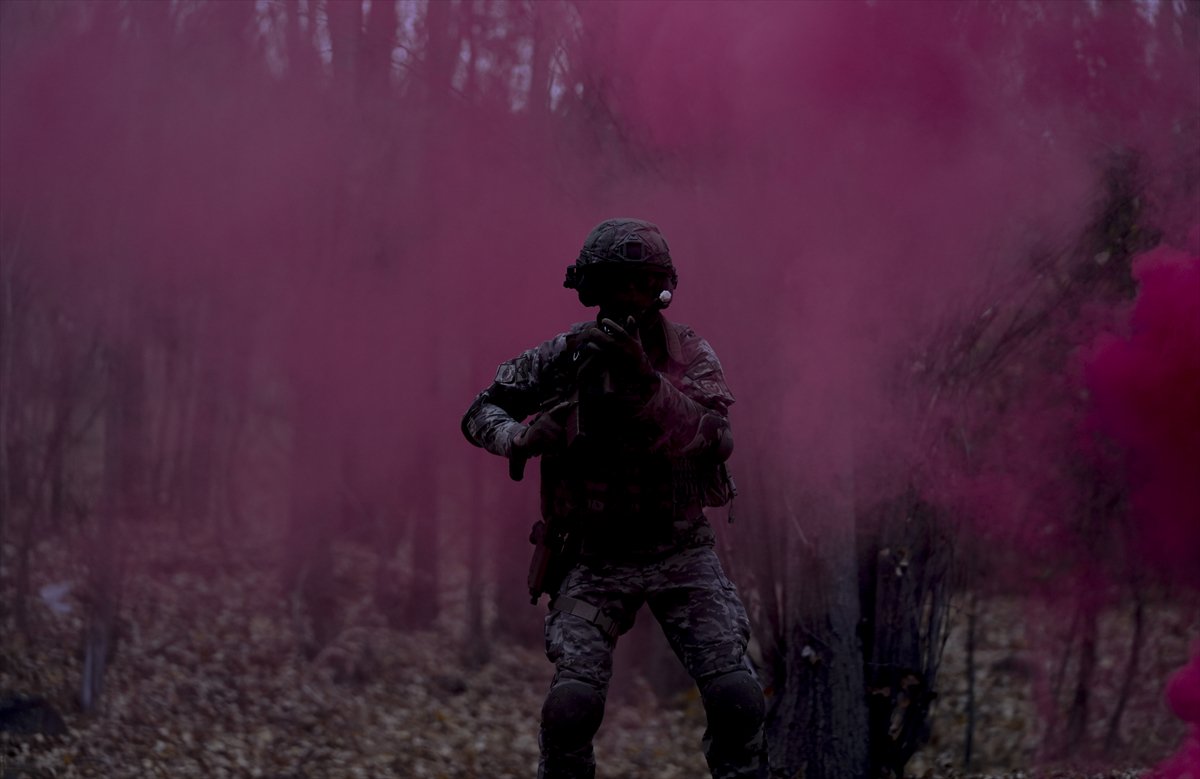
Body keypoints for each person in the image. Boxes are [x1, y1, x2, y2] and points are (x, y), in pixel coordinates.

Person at [461, 218, 767, 779]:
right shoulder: (562, 356)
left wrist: (647, 383)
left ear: (662, 288)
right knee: (570, 708)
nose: (629, 297)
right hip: (593, 556)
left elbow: (716, 438)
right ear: (590, 289)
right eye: (614, 283)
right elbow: (481, 411)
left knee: (737, 698)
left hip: (681, 551)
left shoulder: (688, 353)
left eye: (641, 283)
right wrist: (520, 438)